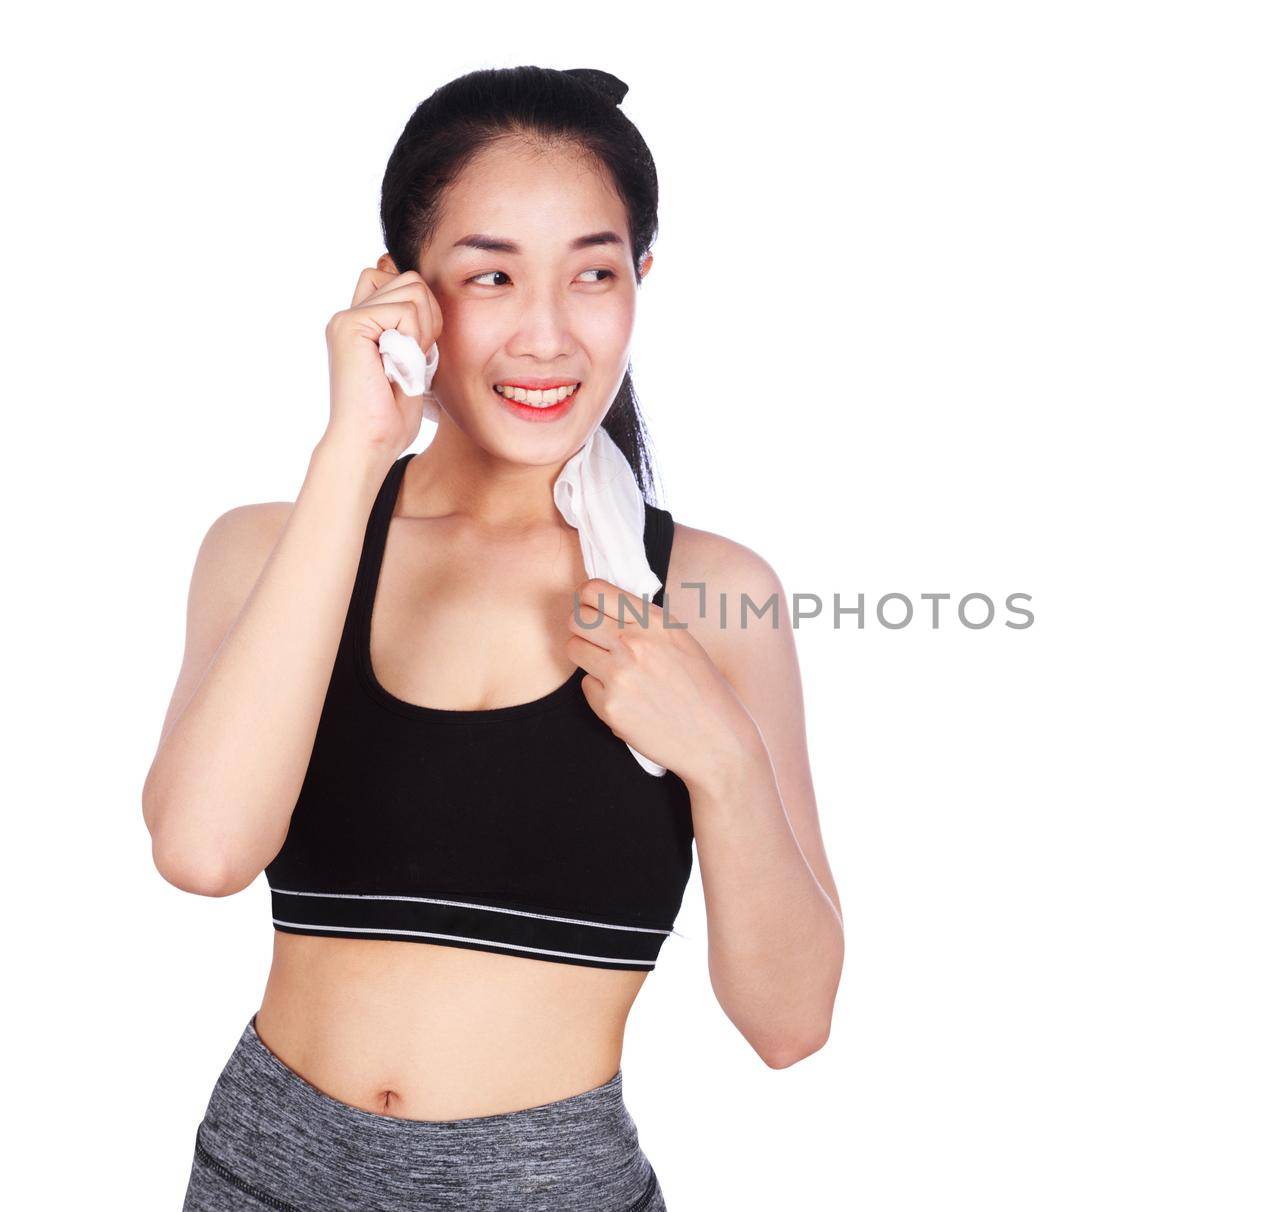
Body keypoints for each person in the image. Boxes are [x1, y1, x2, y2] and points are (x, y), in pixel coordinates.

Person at [143, 65, 845, 1211]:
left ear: (639, 284)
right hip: (260, 1178)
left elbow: (791, 1024)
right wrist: (354, 449)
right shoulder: (270, 549)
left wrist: (721, 756)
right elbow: (204, 853)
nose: (546, 332)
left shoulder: (713, 593)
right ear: (407, 295)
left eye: (593, 274)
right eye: (489, 274)